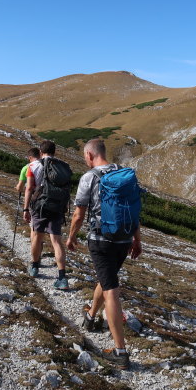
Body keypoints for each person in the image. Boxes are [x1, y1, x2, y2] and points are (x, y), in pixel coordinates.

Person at [66, 138, 142, 368]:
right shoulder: (125, 174)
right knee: (106, 277)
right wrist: (137, 240)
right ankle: (90, 318)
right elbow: (134, 209)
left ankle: (120, 352)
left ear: (89, 155)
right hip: (124, 238)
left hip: (101, 240)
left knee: (111, 290)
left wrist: (70, 237)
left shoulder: (89, 177)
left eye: (84, 156)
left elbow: (79, 214)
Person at [23, 140, 69, 289]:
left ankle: (35, 267)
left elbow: (29, 188)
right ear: (55, 152)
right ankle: (62, 277)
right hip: (57, 207)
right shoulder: (62, 166)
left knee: (37, 236)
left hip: (39, 207)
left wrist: (25, 209)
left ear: (41, 152)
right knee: (56, 241)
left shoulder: (33, 166)